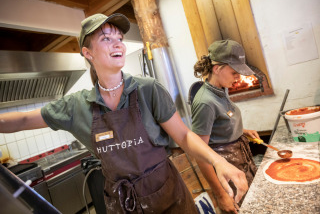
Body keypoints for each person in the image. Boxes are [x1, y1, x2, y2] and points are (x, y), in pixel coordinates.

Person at [0, 14, 248, 213]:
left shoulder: (148, 89)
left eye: (119, 38)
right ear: (88, 53)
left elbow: (183, 136)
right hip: (122, 204)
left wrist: (218, 161)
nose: (118, 43)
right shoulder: (75, 106)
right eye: (107, 39)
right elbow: (22, 119)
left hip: (168, 197)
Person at [190, 39, 260, 213]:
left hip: (240, 161)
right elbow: (200, 153)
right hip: (226, 169)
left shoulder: (222, 88)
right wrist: (221, 195)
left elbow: (218, 123)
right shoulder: (205, 102)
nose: (239, 77)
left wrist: (241, 131)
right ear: (217, 68)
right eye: (235, 72)